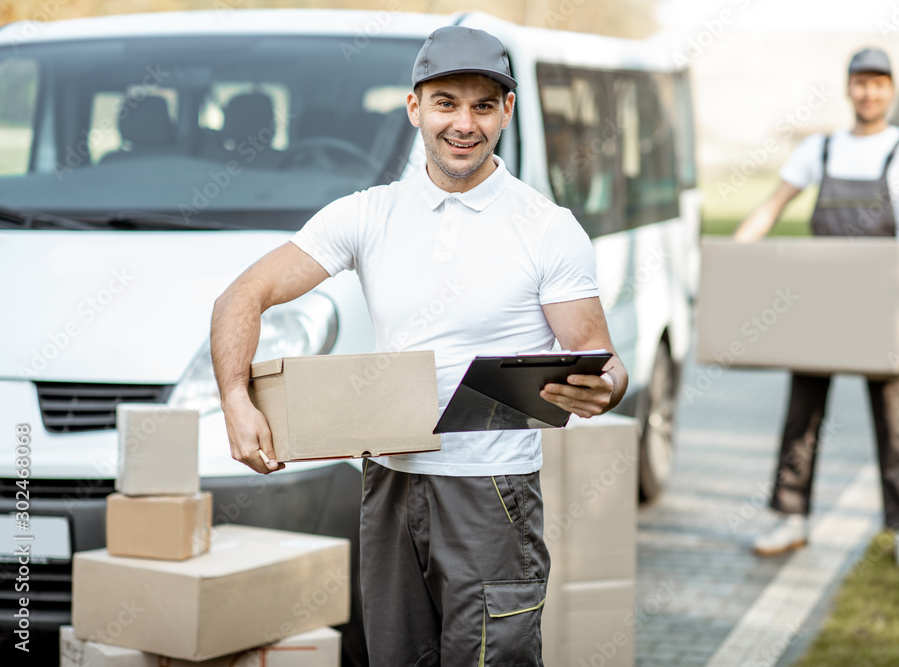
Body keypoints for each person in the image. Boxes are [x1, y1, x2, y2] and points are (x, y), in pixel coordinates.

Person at [210, 26, 628, 665]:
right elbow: (240, 296)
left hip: (493, 491)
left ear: (506, 112)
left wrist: (604, 388)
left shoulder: (546, 229)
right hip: (389, 484)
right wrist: (236, 399)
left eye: (483, 105)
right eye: (446, 103)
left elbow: (602, 360)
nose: (465, 123)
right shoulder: (368, 214)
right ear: (415, 108)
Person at [734, 47, 899, 569]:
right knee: (802, 414)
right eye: (861, 82)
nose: (869, 92)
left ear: (891, 90)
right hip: (820, 302)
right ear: (849, 88)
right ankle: (790, 517)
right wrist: (732, 262)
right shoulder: (823, 149)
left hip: (883, 304)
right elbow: (771, 208)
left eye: (879, 83)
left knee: (895, 419)